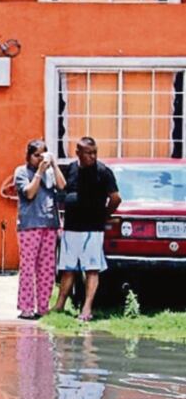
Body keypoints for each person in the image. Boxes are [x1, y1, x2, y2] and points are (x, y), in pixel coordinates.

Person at [51, 136, 121, 322]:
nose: (92, 156)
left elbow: (115, 198)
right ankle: (59, 305)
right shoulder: (71, 169)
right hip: (71, 227)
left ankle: (86, 308)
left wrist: (104, 215)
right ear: (78, 153)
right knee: (68, 269)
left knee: (91, 269)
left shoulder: (103, 172)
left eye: (95, 152)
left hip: (92, 229)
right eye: (88, 153)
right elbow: (62, 188)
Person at [14, 140, 66, 319]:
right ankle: (26, 308)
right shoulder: (21, 172)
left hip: (50, 224)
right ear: (28, 156)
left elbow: (62, 186)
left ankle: (43, 307)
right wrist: (39, 172)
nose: (39, 159)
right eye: (36, 155)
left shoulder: (50, 172)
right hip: (30, 225)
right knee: (28, 267)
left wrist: (54, 165)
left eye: (42, 155)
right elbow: (29, 193)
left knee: (47, 269)